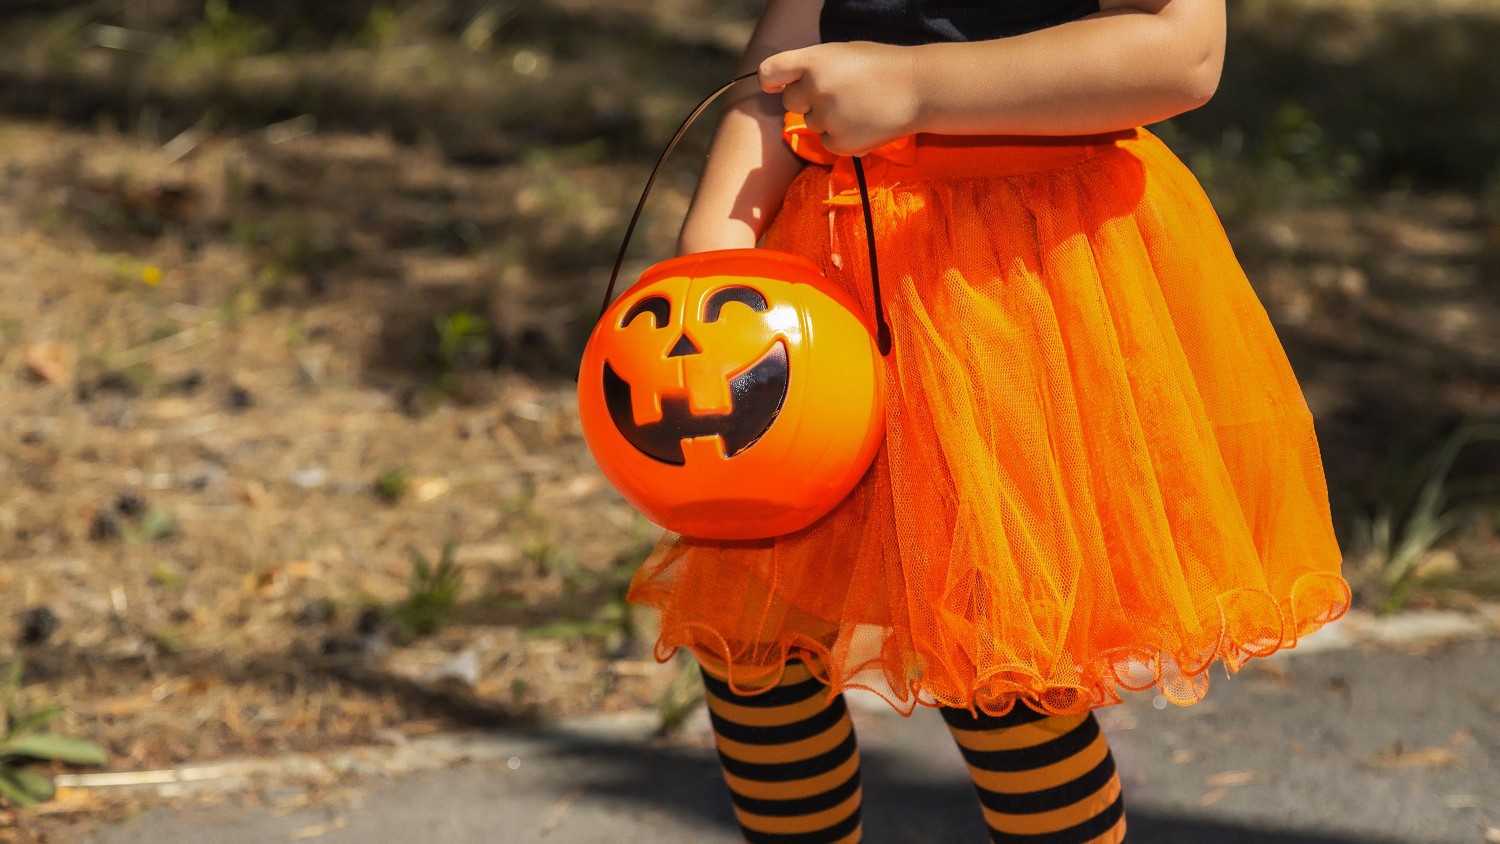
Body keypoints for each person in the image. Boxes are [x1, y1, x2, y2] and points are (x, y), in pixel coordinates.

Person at [625, 1, 1351, 841]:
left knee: (1000, 667)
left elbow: (1181, 53)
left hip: (1008, 288)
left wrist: (917, 86)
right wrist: (717, 261)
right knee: (754, 643)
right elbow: (781, 59)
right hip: (820, 284)